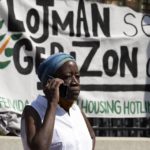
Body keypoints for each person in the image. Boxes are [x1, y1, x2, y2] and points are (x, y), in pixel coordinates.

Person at [21, 52, 95, 150]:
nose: (75, 82)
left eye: (77, 76)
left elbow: (92, 137)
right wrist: (52, 103)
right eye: (68, 76)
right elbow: (39, 148)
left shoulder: (76, 110)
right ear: (50, 82)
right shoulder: (33, 110)